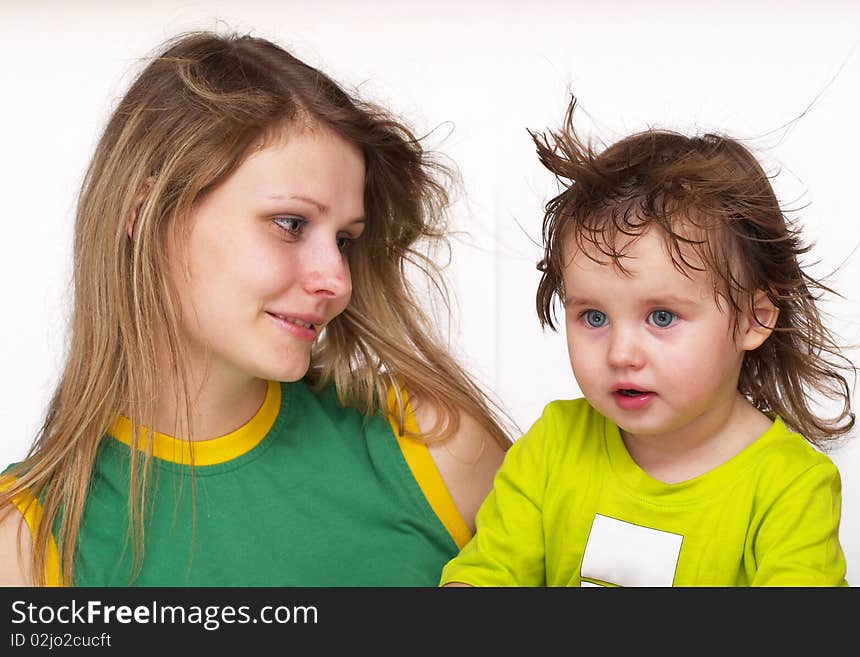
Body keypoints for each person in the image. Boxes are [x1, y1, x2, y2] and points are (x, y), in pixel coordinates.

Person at [0, 31, 512, 587]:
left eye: (344, 239)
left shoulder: (432, 447)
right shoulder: (27, 542)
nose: (337, 280)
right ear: (147, 211)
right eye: (290, 224)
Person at [440, 99, 856, 587]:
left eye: (661, 317)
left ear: (753, 320)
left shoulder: (790, 484)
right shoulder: (554, 445)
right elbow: (487, 574)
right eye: (593, 317)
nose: (621, 354)